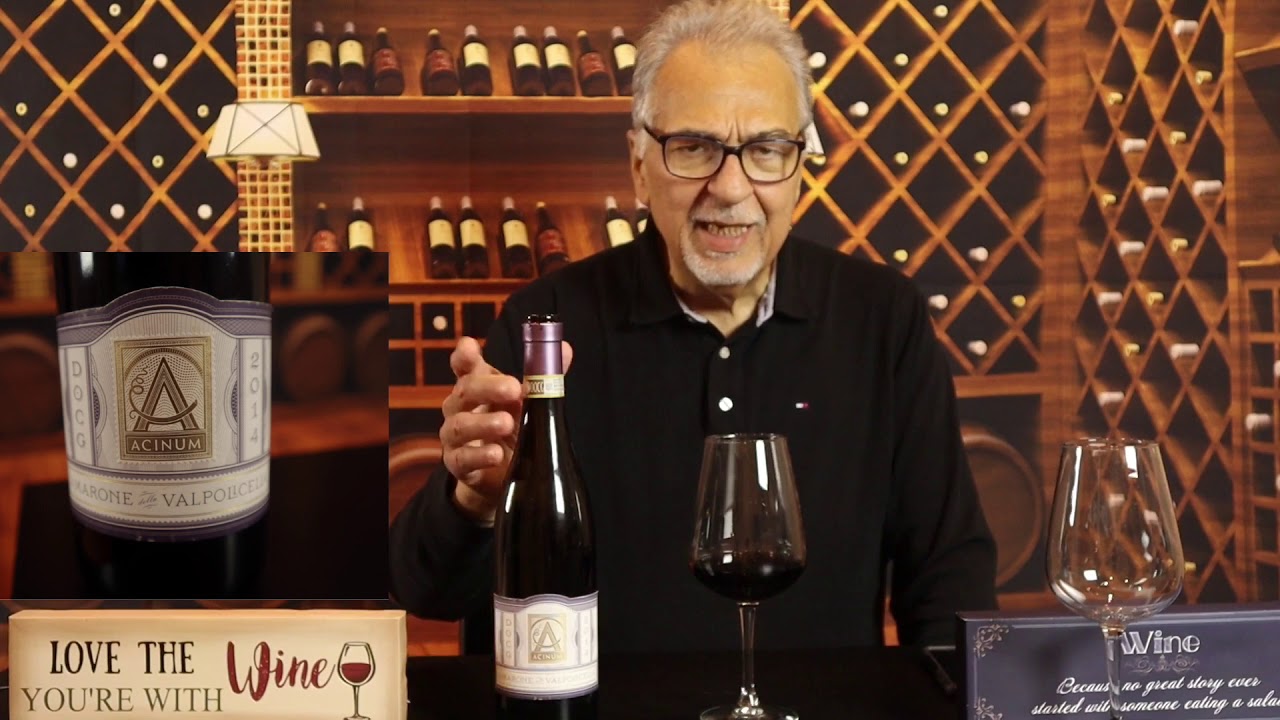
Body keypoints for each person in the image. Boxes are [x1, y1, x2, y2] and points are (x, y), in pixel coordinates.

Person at [390, 0, 997, 654]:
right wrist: (475, 502)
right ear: (639, 166)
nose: (730, 188)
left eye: (766, 150)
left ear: (798, 165)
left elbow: (948, 577)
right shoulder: (546, 326)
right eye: (694, 148)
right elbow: (427, 591)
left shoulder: (884, 318)